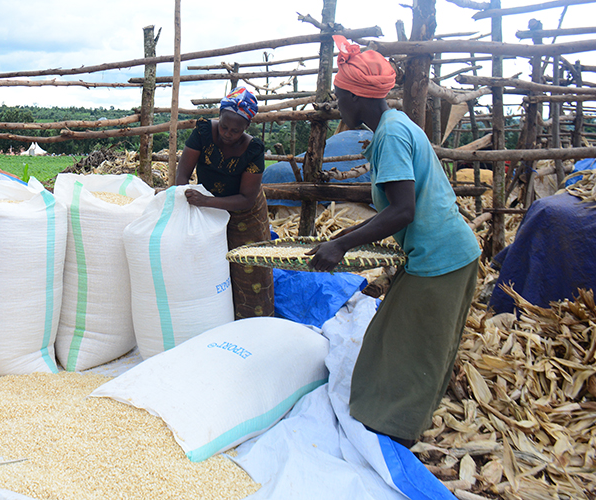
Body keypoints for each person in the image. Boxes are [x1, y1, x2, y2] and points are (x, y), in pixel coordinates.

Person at [306, 36, 481, 447]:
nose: (337, 105)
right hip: (433, 253)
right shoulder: (393, 126)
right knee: (390, 339)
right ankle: (384, 417)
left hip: (442, 257)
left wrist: (341, 247)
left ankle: (394, 430)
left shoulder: (391, 136)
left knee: (411, 350)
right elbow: (397, 207)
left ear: (355, 97)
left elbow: (403, 210)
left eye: (339, 97)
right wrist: (344, 236)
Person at [175, 86, 275, 319]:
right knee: (212, 265)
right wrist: (181, 198)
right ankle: (217, 318)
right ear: (218, 117)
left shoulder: (253, 150)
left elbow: (246, 198)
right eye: (224, 127)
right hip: (205, 206)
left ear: (246, 127)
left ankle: (253, 324)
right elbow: (182, 175)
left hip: (245, 214)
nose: (228, 133)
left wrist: (206, 201)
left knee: (250, 269)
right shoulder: (203, 133)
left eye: (235, 130)